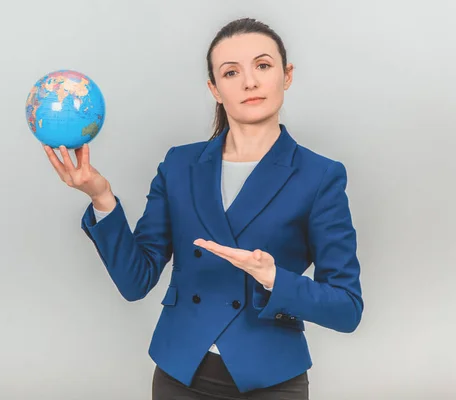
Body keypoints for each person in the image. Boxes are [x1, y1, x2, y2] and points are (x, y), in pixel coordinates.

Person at [43, 17, 364, 400]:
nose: (250, 82)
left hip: (272, 376)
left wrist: (275, 278)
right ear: (214, 88)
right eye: (231, 72)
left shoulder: (320, 176)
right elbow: (135, 281)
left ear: (287, 75)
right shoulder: (179, 166)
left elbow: (347, 308)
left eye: (263, 66)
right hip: (181, 373)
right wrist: (101, 197)